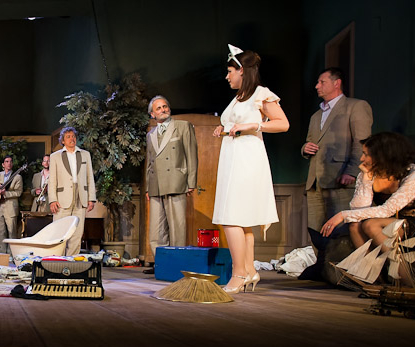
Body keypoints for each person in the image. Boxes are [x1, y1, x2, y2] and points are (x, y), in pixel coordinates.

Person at [211, 45, 289, 294]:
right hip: (232, 157)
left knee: (232, 217)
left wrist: (253, 126)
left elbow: (282, 124)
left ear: (242, 70)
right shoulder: (238, 97)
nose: (227, 76)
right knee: (241, 220)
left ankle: (238, 274)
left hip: (247, 160)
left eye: (230, 71)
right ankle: (249, 270)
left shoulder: (260, 94)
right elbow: (236, 124)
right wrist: (224, 129)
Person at [321, 132, 415, 258]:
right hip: (391, 221)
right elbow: (358, 210)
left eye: (366, 154)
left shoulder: (414, 174)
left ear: (382, 156)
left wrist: (342, 215)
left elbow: (387, 210)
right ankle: (371, 268)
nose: (361, 159)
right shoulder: (369, 172)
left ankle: (400, 268)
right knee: (355, 225)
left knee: (371, 225)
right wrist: (366, 179)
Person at [302, 67, 373, 233]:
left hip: (340, 179)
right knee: (316, 231)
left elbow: (363, 142)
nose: (317, 86)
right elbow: (310, 141)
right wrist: (305, 148)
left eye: (322, 82)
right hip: (315, 182)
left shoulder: (355, 106)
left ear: (337, 83)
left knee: (341, 231)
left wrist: (352, 171)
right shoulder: (316, 116)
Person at [144, 96, 198, 270]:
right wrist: (147, 187)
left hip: (176, 181)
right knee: (156, 230)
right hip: (156, 185)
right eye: (159, 108)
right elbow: (150, 163)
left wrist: (191, 181)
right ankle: (162, 263)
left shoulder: (182, 126)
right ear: (152, 114)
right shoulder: (150, 134)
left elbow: (191, 154)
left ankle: (177, 264)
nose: (163, 110)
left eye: (165, 106)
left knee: (177, 227)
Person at [48, 127, 97, 256]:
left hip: (80, 196)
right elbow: (52, 180)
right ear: (63, 141)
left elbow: (89, 177)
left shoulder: (85, 154)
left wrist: (91, 198)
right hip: (62, 198)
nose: (72, 139)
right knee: (59, 231)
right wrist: (52, 200)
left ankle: (72, 260)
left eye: (73, 136)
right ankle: (58, 259)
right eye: (68, 137)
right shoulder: (55, 156)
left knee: (77, 232)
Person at [0, 156, 23, 256]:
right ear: (3, 164)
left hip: (10, 206)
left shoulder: (17, 177)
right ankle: (1, 254)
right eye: (7, 161)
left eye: (11, 161)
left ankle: (11, 254)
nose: (9, 163)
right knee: (0, 231)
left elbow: (18, 192)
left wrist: (5, 193)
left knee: (11, 232)